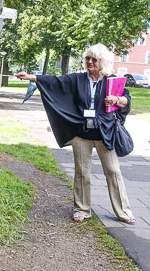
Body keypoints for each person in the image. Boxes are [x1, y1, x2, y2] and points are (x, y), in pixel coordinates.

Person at [15, 43, 135, 225]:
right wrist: (32, 78)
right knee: (81, 172)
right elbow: (56, 81)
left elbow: (127, 100)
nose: (90, 62)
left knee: (113, 171)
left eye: (94, 59)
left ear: (103, 62)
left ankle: (124, 212)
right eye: (88, 58)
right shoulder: (78, 79)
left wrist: (116, 99)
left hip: (105, 132)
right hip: (82, 131)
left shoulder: (112, 80)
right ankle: (82, 209)